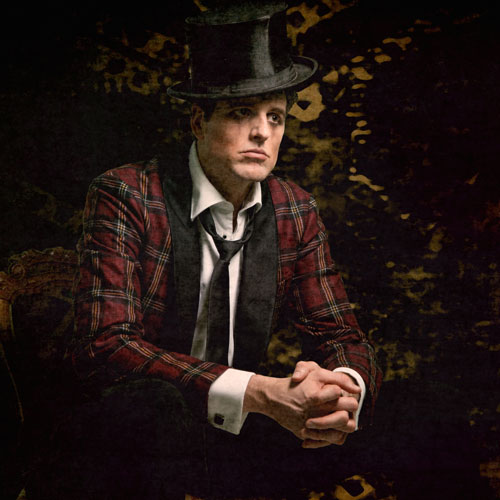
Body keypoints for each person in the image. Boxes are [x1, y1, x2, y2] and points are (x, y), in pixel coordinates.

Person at [30, 3, 382, 499]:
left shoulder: (295, 209)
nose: (262, 132)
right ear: (198, 121)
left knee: (372, 415)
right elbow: (106, 346)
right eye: (242, 113)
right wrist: (256, 390)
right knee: (154, 406)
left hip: (234, 435)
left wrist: (343, 387)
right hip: (130, 434)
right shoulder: (127, 194)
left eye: (275, 117)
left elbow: (341, 333)